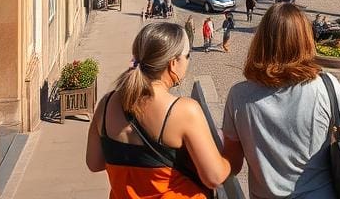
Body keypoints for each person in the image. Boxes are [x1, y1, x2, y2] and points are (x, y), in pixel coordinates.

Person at [221, 3, 340, 198]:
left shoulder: (238, 96)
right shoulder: (326, 86)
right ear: (305, 40)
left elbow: (233, 164)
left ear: (261, 41)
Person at [85, 22, 231, 198]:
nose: (188, 61)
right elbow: (214, 177)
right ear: (173, 63)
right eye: (187, 55)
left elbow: (94, 163)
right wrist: (230, 160)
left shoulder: (106, 104)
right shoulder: (183, 111)